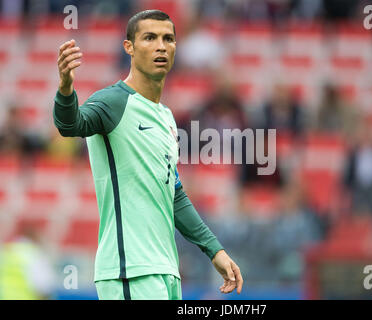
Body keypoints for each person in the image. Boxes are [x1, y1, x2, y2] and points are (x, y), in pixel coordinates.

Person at [53, 10, 243, 300]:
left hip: (165, 271)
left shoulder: (166, 117)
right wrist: (66, 88)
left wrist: (214, 249)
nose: (160, 46)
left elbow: (174, 194)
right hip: (130, 270)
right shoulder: (112, 101)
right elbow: (70, 125)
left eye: (168, 39)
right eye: (150, 38)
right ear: (128, 47)